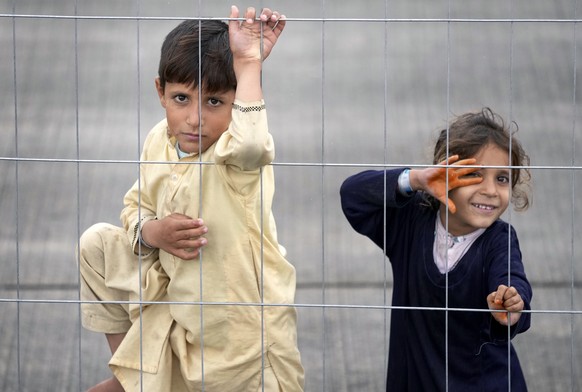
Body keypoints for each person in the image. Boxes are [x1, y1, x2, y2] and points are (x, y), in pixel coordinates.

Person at [77, 6, 304, 391]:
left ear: (239, 103)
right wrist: (153, 232)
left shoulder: (236, 154)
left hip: (243, 334)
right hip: (179, 318)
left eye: (215, 102)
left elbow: (251, 141)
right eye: (181, 98)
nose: (195, 119)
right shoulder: (158, 141)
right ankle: (136, 372)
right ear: (160, 92)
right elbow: (134, 207)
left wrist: (249, 64)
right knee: (97, 244)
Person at [340, 108, 533, 391]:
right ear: (443, 174)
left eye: (502, 178)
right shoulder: (410, 221)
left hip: (484, 384)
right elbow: (353, 196)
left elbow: (512, 280)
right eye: (475, 174)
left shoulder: (499, 239)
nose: (491, 190)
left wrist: (512, 305)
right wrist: (415, 180)